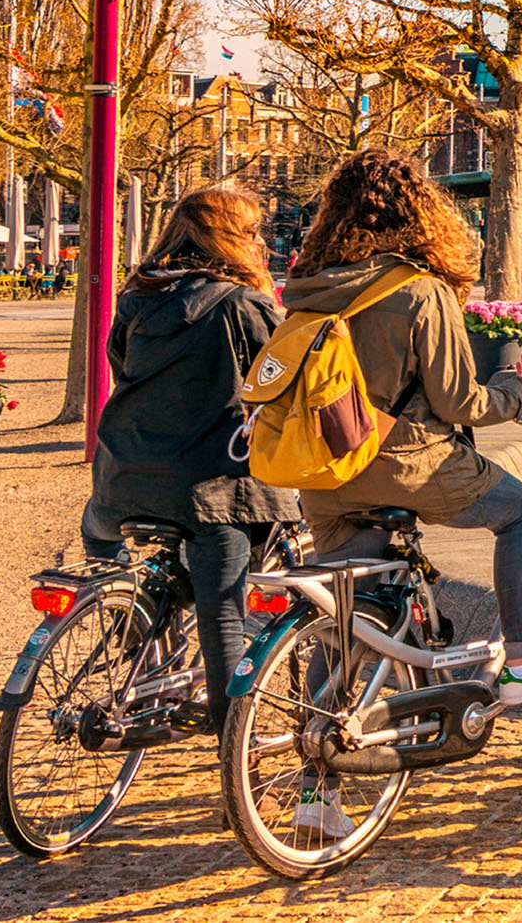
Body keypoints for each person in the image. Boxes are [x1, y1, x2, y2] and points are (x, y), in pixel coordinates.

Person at [283, 149, 522, 718]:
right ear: (420, 214)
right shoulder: (419, 289)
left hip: (326, 472)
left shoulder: (309, 287)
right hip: (407, 466)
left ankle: (315, 774)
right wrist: (514, 386)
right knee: (520, 511)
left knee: (347, 621)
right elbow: (460, 402)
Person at [81, 187, 305, 746]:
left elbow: (119, 366)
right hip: (209, 487)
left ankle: (135, 624)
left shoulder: (136, 298)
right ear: (229, 240)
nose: (261, 242)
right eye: (253, 233)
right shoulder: (241, 303)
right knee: (224, 607)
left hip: (122, 477)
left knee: (102, 540)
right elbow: (281, 382)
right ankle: (235, 749)